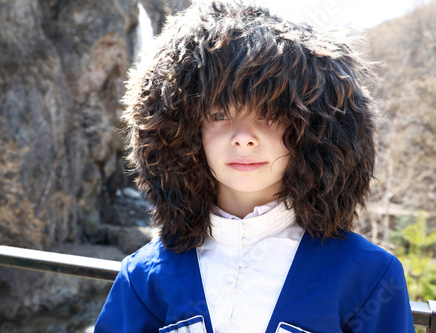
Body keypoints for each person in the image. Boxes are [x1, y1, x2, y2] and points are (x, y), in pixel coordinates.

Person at [94, 1, 415, 332]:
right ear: (188, 131)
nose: (243, 138)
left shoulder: (368, 277)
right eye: (219, 115)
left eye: (270, 114)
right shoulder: (145, 276)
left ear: (308, 128)